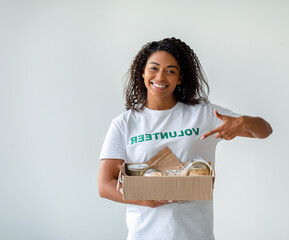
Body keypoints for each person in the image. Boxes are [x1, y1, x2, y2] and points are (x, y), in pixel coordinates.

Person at [98, 37, 272, 240]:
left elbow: (265, 131)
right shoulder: (124, 124)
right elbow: (104, 185)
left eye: (170, 71)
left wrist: (244, 122)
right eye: (153, 68)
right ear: (143, 72)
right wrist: (146, 199)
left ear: (180, 78)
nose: (160, 77)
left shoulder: (203, 115)